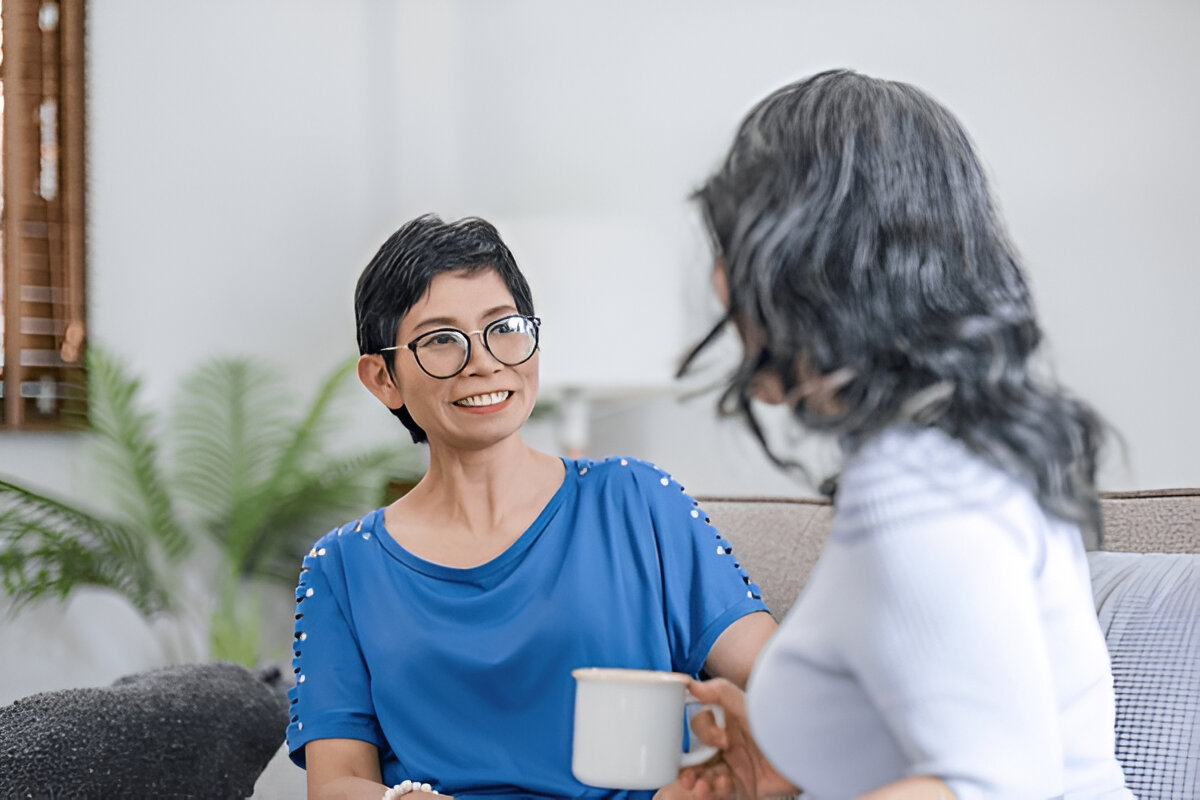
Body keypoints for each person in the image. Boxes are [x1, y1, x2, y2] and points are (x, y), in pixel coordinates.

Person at [661, 70, 1133, 799]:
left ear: (802, 261)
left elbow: (991, 785)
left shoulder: (915, 486)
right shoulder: (968, 453)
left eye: (733, 240)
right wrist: (784, 767)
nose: (721, 277)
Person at [285, 214, 777, 800]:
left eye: (504, 327)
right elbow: (336, 782)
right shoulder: (340, 568)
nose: (484, 362)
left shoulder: (638, 503)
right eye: (441, 339)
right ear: (382, 378)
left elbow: (789, 686)